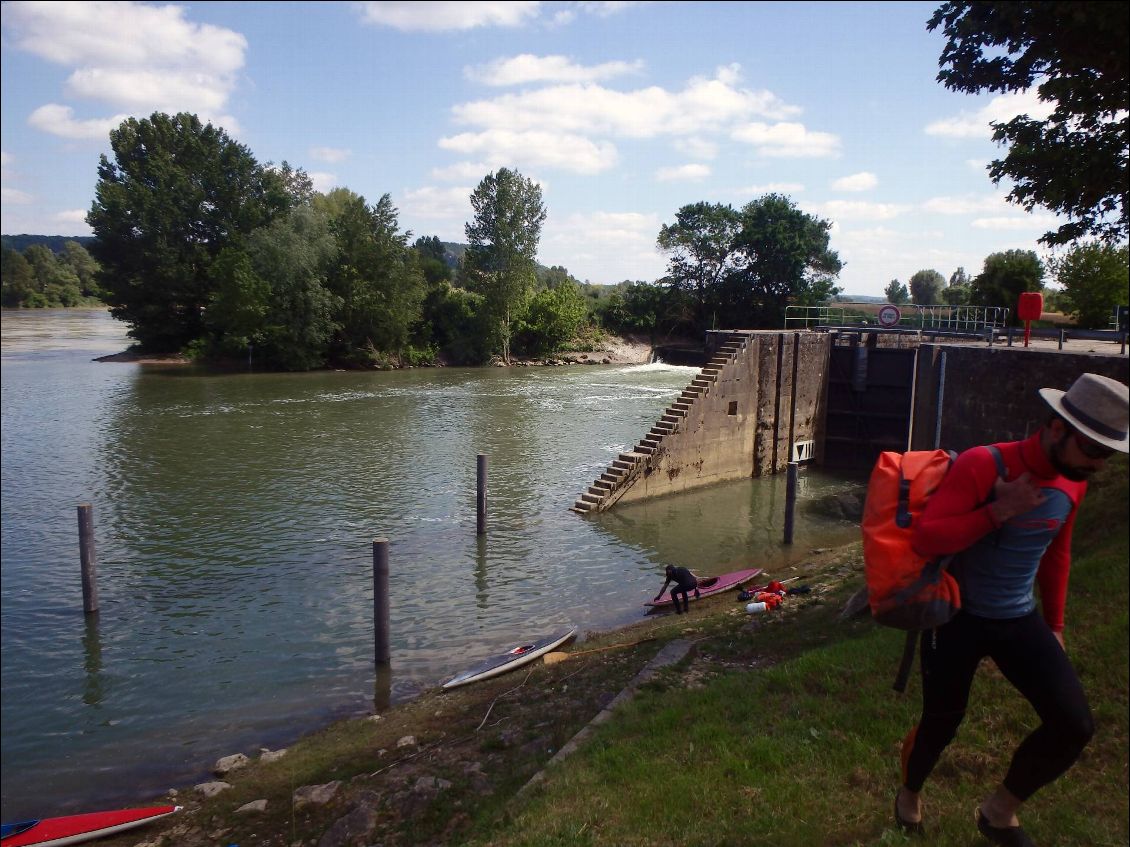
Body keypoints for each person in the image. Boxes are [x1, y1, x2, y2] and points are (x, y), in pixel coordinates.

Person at [893, 372, 1128, 846]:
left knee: (1073, 724)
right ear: (1057, 428)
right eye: (1094, 449)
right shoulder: (985, 464)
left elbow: (1057, 553)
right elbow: (928, 538)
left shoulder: (1075, 480)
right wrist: (1000, 511)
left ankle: (999, 813)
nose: (1099, 464)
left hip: (1018, 618)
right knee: (943, 719)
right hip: (956, 617)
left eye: (1108, 453)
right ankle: (909, 793)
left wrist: (1055, 624)